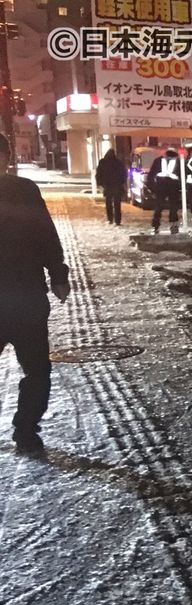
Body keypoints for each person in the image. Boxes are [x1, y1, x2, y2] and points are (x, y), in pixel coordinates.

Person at [0, 133, 71, 455]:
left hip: (26, 295)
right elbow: (46, 235)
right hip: (26, 295)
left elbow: (45, 234)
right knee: (37, 371)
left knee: (38, 371)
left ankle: (27, 431)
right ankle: (26, 432)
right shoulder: (24, 190)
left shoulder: (25, 191)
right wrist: (57, 275)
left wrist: (58, 274)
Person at [149, 147, 183, 235]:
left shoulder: (158, 161)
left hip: (161, 186)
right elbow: (182, 176)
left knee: (159, 207)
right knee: (173, 208)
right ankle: (174, 227)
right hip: (173, 187)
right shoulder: (179, 162)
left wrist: (152, 188)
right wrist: (181, 188)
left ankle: (155, 226)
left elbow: (151, 175)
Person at [95, 148, 126, 226]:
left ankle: (110, 219)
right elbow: (124, 174)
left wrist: (100, 183)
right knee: (117, 204)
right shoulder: (118, 163)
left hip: (107, 186)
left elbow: (99, 174)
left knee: (108, 203)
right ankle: (117, 220)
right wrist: (122, 183)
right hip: (117, 186)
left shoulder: (103, 162)